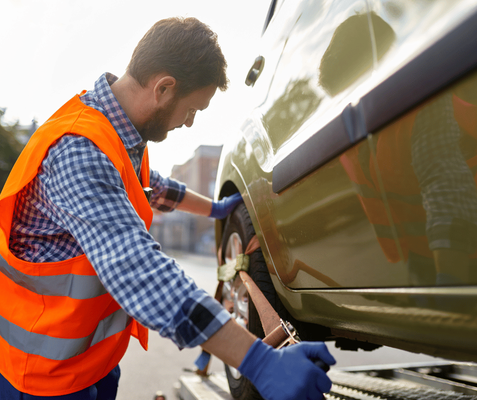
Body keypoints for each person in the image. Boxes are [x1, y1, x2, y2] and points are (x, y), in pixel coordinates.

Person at [0, 17, 335, 400]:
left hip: (89, 362)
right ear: (164, 88)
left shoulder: (118, 135)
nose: (189, 123)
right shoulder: (80, 150)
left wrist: (216, 209)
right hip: (41, 377)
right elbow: (139, 271)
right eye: (192, 110)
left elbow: (155, 188)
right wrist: (256, 360)